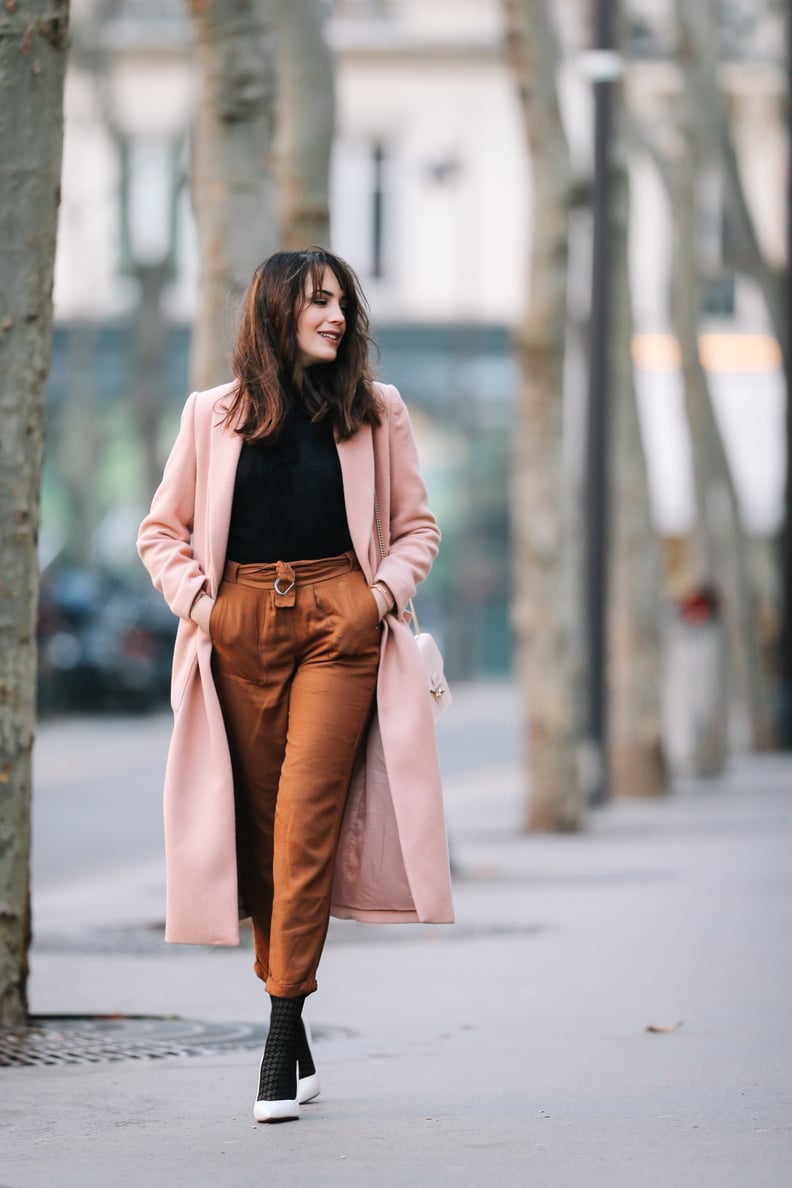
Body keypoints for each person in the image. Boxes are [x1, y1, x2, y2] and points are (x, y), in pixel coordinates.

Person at [137, 248, 454, 1123]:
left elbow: (416, 527)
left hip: (338, 628)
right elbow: (160, 531)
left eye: (344, 301)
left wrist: (378, 596)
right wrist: (203, 605)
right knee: (258, 830)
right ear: (276, 312)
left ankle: (280, 1031)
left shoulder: (375, 412)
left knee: (307, 820)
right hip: (237, 621)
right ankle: (295, 1014)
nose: (338, 316)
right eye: (319, 301)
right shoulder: (213, 415)